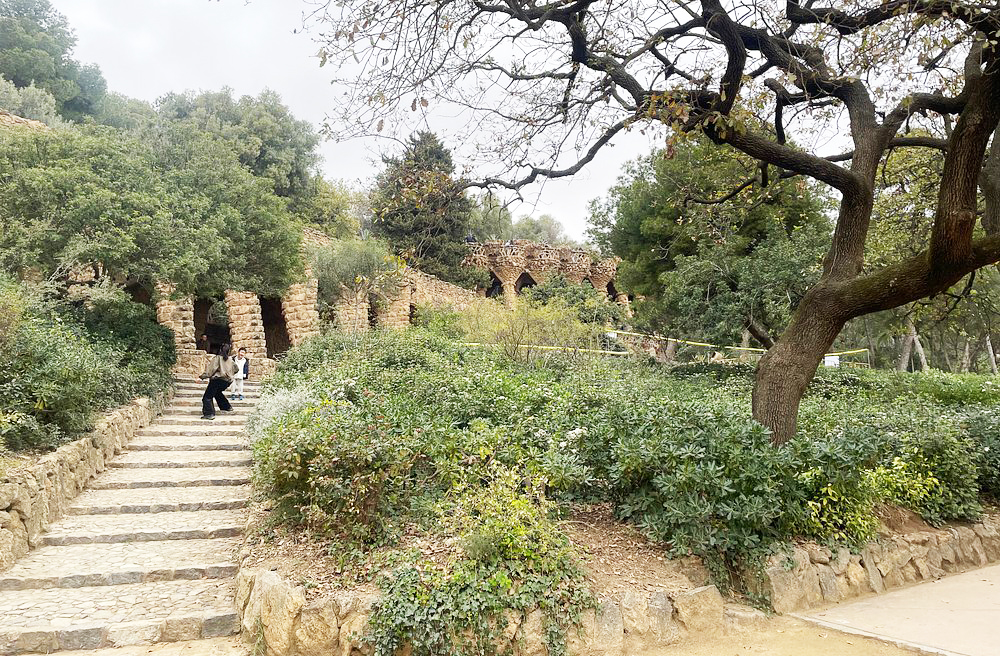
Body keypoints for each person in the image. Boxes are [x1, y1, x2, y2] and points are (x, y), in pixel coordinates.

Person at [199, 343, 239, 420]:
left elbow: (210, 371)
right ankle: (226, 407)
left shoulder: (217, 358)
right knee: (217, 393)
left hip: (217, 380)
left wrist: (201, 377)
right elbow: (236, 369)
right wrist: (229, 373)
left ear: (220, 349)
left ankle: (209, 414)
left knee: (207, 397)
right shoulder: (230, 360)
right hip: (227, 381)